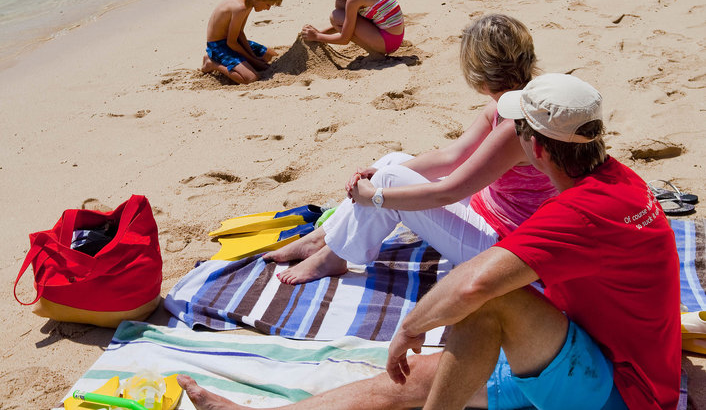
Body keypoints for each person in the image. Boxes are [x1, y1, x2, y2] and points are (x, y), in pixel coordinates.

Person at [177, 73, 681, 409]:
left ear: (538, 148)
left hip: (620, 388)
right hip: (592, 350)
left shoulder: (584, 212)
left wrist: (411, 325)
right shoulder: (619, 182)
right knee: (418, 377)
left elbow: (472, 286)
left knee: (485, 300)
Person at [267, 14, 557, 285]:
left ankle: (332, 258)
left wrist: (377, 195)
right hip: (492, 211)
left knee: (388, 182)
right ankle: (324, 239)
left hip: (505, 246)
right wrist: (381, 173)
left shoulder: (515, 126)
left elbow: (449, 191)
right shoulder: (509, 102)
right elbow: (451, 157)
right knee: (392, 164)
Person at [201, 0, 283, 84]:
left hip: (233, 40)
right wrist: (254, 61)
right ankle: (211, 63)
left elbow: (239, 33)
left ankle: (247, 61)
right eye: (268, 4)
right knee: (251, 78)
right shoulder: (240, 8)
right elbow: (231, 43)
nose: (268, 9)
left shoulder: (249, 1)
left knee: (271, 56)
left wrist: (253, 56)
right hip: (218, 45)